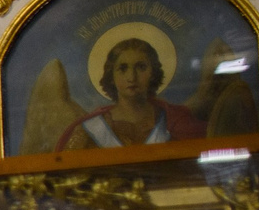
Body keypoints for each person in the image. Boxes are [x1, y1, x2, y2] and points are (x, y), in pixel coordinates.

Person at [51, 38, 201, 151]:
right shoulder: (89, 130)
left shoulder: (176, 122)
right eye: (123, 68)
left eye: (141, 67)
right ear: (111, 75)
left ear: (153, 73)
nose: (132, 77)